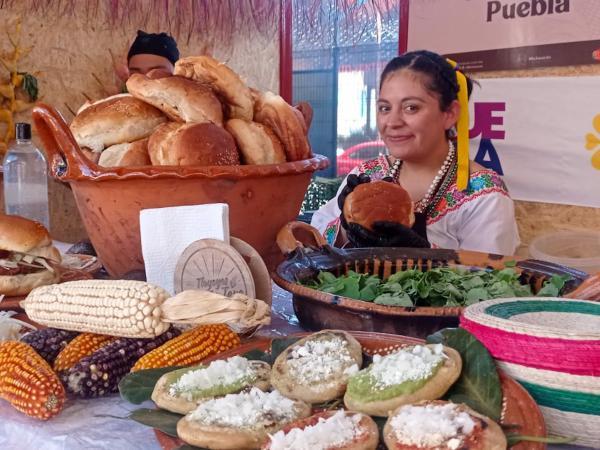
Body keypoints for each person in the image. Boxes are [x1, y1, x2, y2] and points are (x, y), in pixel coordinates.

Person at [311, 50, 520, 256]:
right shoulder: (368, 174)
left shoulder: (483, 195)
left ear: (449, 114)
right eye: (384, 108)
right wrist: (347, 228)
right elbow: (316, 237)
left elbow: (490, 279)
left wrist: (423, 255)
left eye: (411, 108)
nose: (392, 122)